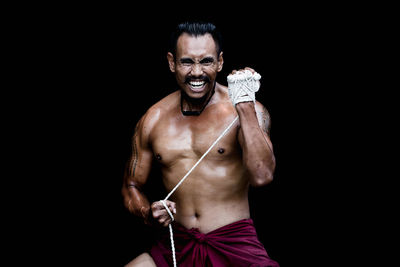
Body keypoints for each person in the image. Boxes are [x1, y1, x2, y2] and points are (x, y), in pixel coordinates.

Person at [122, 21, 279, 267]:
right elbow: (131, 185)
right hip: (178, 242)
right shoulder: (153, 118)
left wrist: (245, 106)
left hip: (234, 242)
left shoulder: (247, 111)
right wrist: (148, 213)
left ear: (220, 62)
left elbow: (262, 176)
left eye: (206, 61)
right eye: (187, 62)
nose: (196, 72)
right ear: (172, 62)